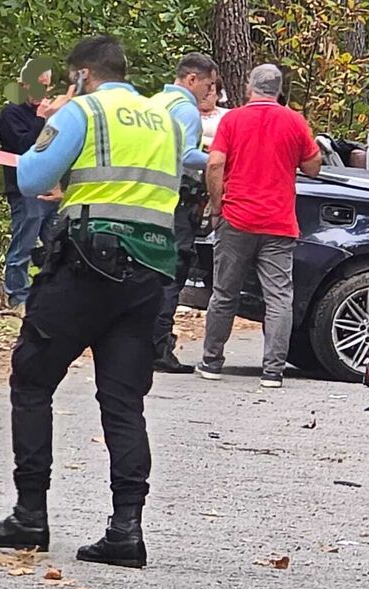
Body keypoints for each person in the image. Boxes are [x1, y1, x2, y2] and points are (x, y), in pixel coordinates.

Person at [0, 35, 184, 567]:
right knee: (123, 401)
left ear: (83, 75)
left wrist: (55, 120)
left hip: (87, 266)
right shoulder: (167, 120)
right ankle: (126, 530)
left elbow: (28, 178)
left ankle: (29, 515)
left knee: (33, 379)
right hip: (149, 271)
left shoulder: (84, 110)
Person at [198, 64, 322, 388]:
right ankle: (273, 371)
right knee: (279, 297)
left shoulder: (233, 120)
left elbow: (214, 162)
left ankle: (211, 361)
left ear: (250, 86)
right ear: (279, 90)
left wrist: (217, 205)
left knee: (224, 293)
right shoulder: (295, 122)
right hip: (279, 222)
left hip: (236, 217)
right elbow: (312, 167)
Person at [150, 52, 218, 374]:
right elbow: (186, 155)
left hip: (149, 198)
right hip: (177, 202)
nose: (209, 92)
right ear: (192, 79)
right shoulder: (187, 111)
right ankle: (160, 348)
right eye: (208, 84)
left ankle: (139, 343)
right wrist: (218, 158)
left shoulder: (155, 103)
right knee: (171, 274)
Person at [0, 59, 59, 309]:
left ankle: (51, 294)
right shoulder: (11, 112)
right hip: (24, 189)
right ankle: (17, 296)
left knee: (56, 244)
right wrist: (40, 119)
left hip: (51, 189)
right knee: (23, 243)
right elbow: (25, 147)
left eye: (46, 86)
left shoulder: (52, 116)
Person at [199, 78, 229, 145]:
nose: (204, 96)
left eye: (210, 92)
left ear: (218, 95)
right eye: (201, 91)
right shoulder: (188, 114)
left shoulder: (228, 115)